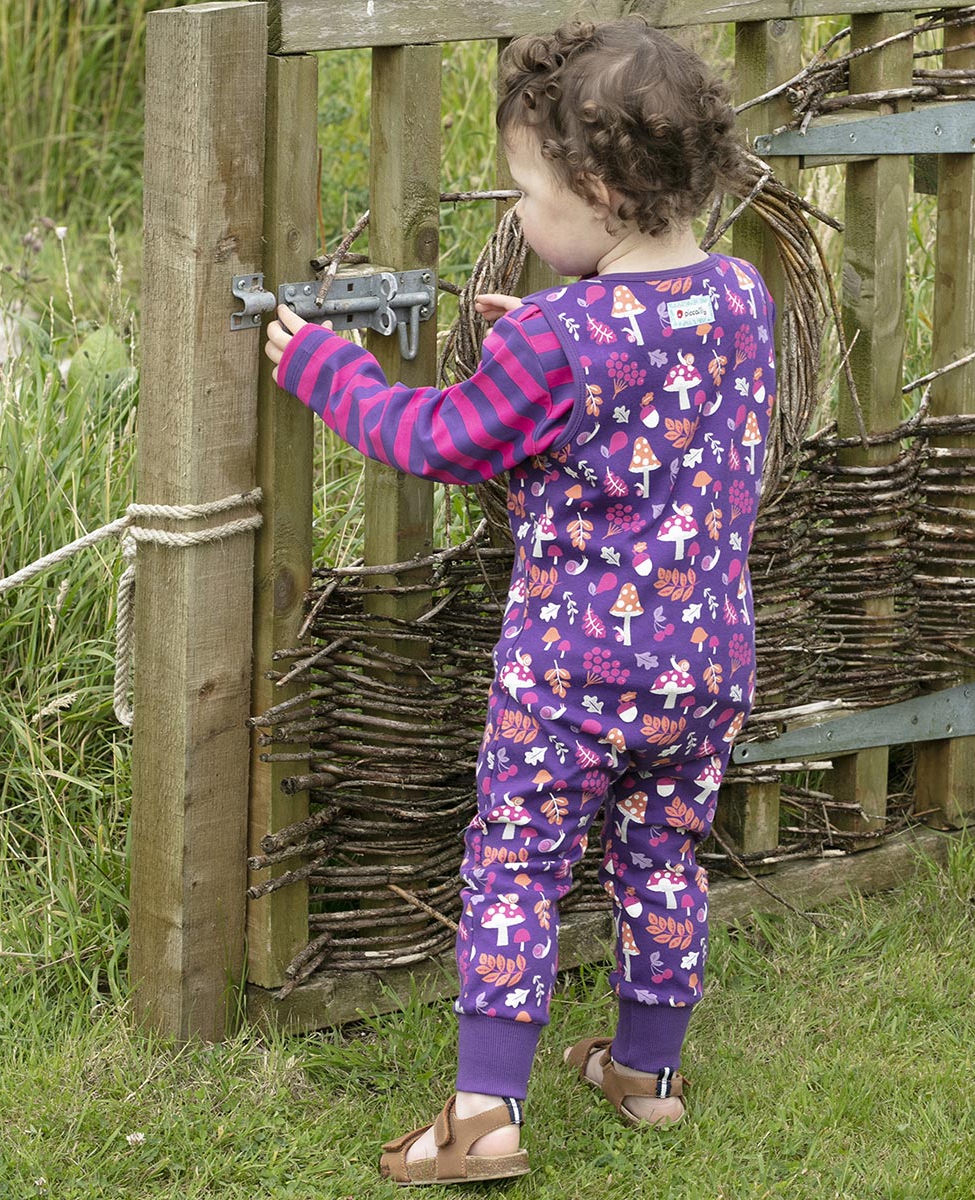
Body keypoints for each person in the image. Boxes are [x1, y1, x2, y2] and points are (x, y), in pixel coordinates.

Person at [266, 18, 776, 1187]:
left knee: (517, 867)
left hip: (572, 679)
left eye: (528, 193)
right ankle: (646, 1078)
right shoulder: (742, 296)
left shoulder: (563, 338)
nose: (518, 215)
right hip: (706, 666)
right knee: (662, 856)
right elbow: (656, 387)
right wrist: (540, 345)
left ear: (597, 189)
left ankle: (484, 1115)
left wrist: (329, 371)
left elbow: (439, 437)